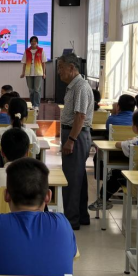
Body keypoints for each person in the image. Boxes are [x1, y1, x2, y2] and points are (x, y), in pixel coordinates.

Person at [89, 110, 138, 211]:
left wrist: (131, 140)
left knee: (114, 173)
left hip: (135, 179)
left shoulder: (133, 143)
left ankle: (103, 199)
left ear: (135, 128)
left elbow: (118, 144)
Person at [57, 53, 94, 229]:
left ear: (71, 68)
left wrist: (71, 140)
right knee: (78, 176)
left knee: (71, 179)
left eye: (61, 67)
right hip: (75, 134)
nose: (59, 71)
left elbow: (80, 116)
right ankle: (81, 216)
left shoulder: (80, 86)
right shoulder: (74, 86)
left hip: (76, 136)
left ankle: (71, 220)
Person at [20, 36, 46, 110]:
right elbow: (24, 63)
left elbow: (43, 62)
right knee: (31, 90)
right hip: (28, 73)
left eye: (35, 41)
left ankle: (36, 105)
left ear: (37, 42)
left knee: (37, 89)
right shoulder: (27, 51)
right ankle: (32, 104)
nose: (33, 42)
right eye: (32, 41)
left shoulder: (41, 50)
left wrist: (44, 73)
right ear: (30, 42)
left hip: (38, 72)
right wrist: (23, 72)